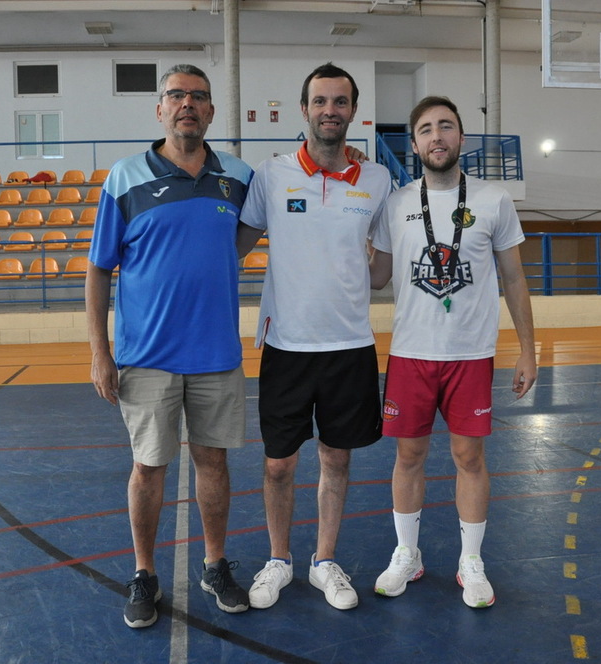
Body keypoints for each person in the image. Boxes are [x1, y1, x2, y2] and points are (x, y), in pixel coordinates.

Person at [85, 63, 252, 629]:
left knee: (213, 462)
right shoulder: (125, 177)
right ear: (160, 109)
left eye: (198, 97)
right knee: (148, 468)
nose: (187, 104)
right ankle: (144, 573)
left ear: (211, 111)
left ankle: (214, 564)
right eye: (176, 95)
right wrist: (99, 352)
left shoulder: (238, 176)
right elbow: (98, 270)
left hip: (216, 355)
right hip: (146, 356)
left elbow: (240, 240)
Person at [368, 96, 537, 608]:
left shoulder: (493, 200)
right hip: (411, 353)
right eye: (425, 129)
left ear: (461, 138)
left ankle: (471, 561)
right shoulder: (395, 203)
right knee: (409, 455)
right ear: (414, 143)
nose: (436, 136)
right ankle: (408, 554)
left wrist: (529, 351)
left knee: (469, 456)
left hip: (470, 354)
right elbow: (377, 277)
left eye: (446, 126)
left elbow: (514, 278)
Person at [236, 63, 392, 611]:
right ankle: (279, 559)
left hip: (350, 345)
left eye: (341, 101)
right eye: (321, 101)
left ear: (353, 111)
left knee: (337, 459)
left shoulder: (376, 180)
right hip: (287, 345)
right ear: (304, 109)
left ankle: (325, 560)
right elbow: (235, 244)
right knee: (279, 462)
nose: (331, 110)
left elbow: (380, 271)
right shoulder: (271, 175)